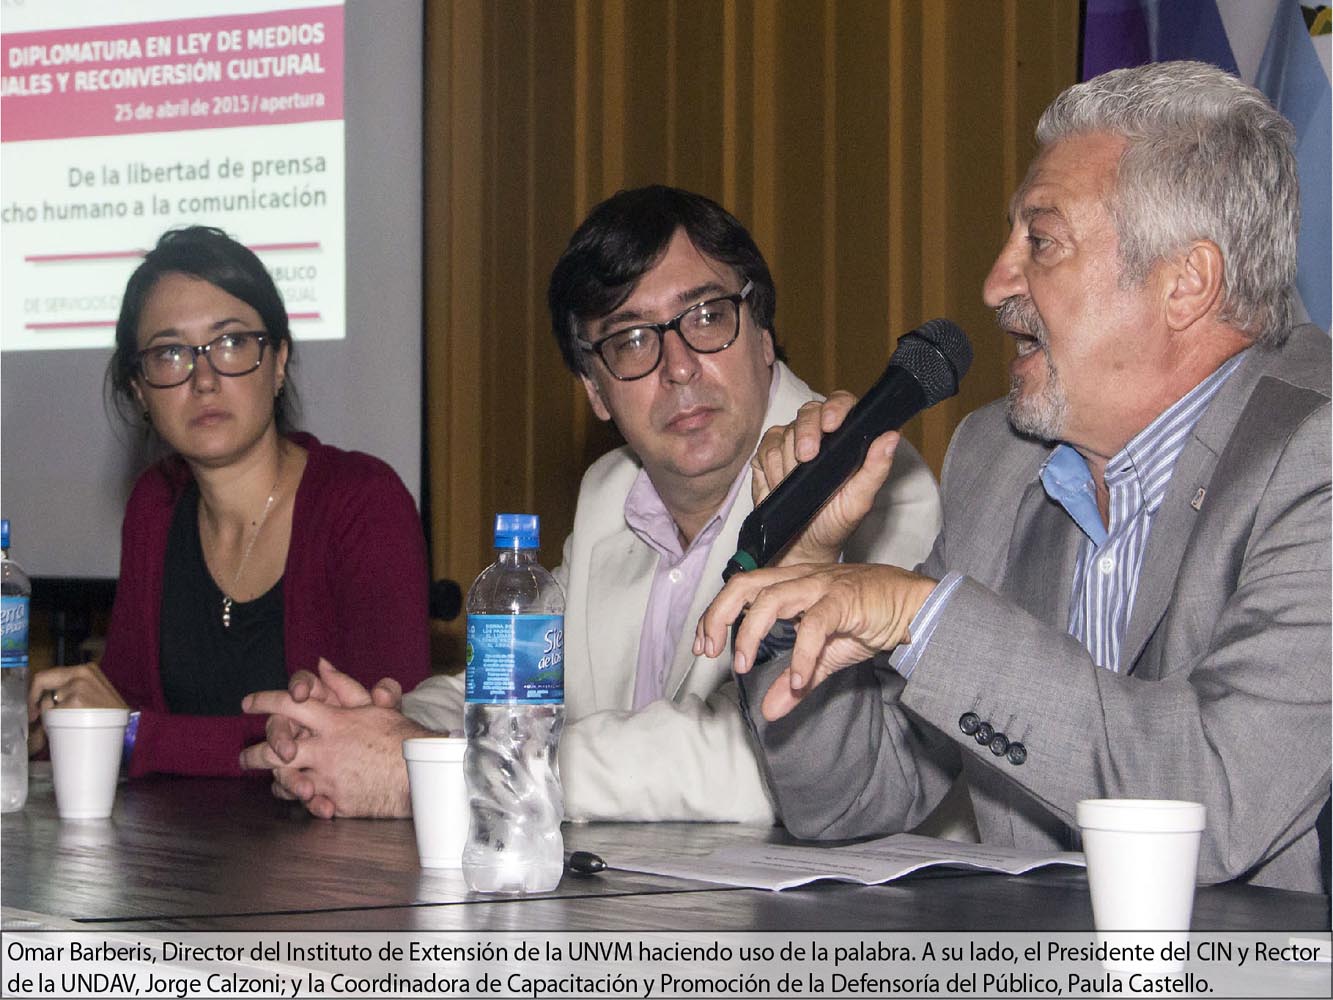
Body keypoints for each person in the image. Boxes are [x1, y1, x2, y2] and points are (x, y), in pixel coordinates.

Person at [696, 61, 1330, 892]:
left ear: (1185, 281)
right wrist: (803, 573)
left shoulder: (1315, 455)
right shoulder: (998, 458)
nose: (995, 283)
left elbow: (1205, 804)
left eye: (1040, 241)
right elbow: (851, 801)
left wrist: (920, 616)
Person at [240, 185, 948, 823]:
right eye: (630, 340)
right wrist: (370, 728)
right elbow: (519, 679)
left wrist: (435, 771)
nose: (676, 368)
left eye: (706, 317)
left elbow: (765, 762)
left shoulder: (867, 482)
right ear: (595, 391)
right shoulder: (614, 494)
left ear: (763, 335)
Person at [27, 226, 431, 778]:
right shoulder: (155, 506)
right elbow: (121, 705)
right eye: (171, 353)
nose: (205, 379)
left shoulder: (362, 502)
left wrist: (130, 734)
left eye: (232, 343)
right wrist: (52, 718)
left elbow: (375, 743)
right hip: (168, 854)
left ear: (280, 360)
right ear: (140, 390)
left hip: (332, 859)